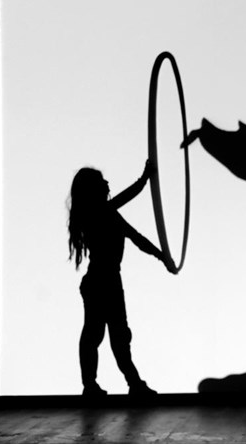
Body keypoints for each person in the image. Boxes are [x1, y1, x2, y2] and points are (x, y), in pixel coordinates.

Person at [67, 160, 174, 397]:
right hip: (100, 282)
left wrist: (162, 256)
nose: (107, 183)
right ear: (92, 190)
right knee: (99, 334)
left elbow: (136, 237)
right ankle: (98, 385)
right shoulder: (96, 214)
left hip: (109, 281)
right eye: (101, 181)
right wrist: (144, 178)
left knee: (116, 335)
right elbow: (129, 199)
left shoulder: (109, 214)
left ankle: (130, 384)